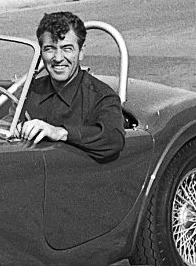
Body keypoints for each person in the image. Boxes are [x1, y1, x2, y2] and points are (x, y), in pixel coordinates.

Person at [16, 11, 125, 163]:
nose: (58, 58)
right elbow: (8, 125)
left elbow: (113, 139)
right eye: (50, 49)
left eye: (67, 48)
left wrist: (60, 132)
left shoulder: (101, 97)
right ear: (41, 52)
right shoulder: (30, 90)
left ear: (81, 52)